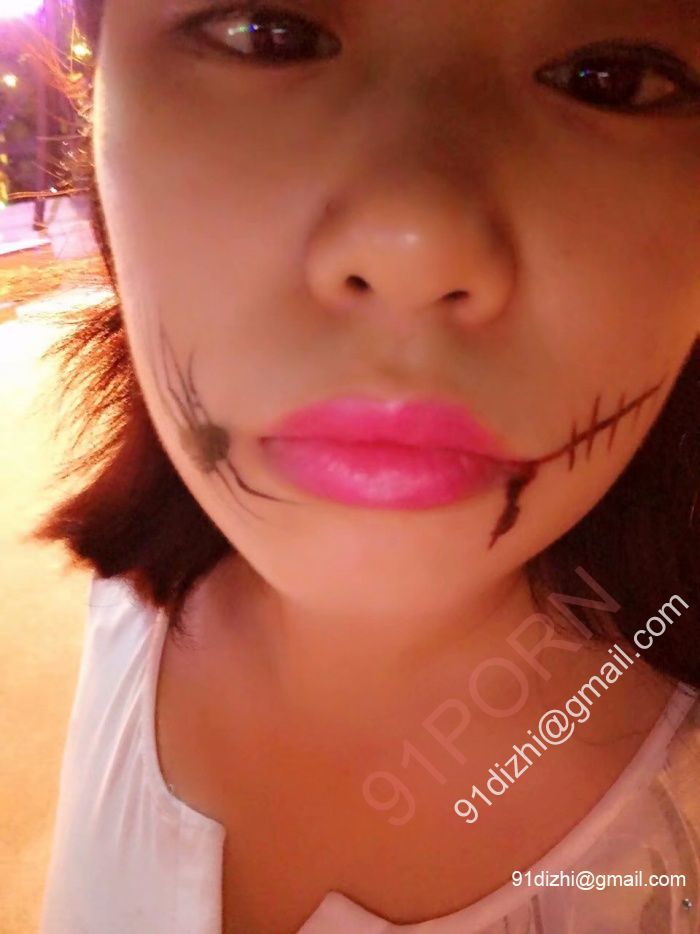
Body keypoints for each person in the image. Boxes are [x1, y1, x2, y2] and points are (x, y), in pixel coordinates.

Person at [34, 0, 700, 931]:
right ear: (98, 94)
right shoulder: (126, 615)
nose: (414, 243)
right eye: (270, 33)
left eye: (612, 81)